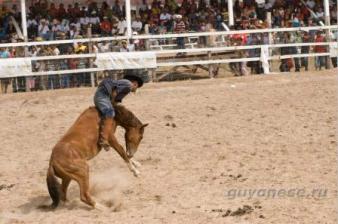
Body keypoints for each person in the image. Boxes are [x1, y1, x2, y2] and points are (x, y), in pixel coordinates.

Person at [94, 74, 144, 151]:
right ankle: (103, 139)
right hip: (103, 95)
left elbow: (116, 101)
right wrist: (111, 105)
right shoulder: (128, 85)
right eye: (137, 87)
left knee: (111, 111)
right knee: (110, 112)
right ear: (135, 83)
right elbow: (114, 93)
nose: (135, 89)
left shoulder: (125, 86)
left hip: (103, 94)